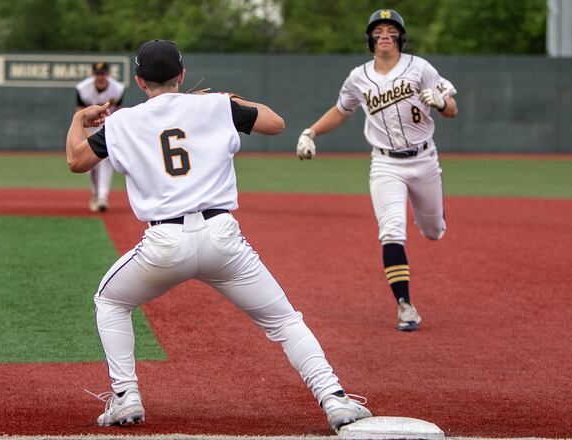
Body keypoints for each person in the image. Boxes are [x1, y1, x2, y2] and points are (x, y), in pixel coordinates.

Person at [66, 40, 371, 431]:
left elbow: (76, 162)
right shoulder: (216, 106)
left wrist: (79, 119)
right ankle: (335, 399)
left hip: (164, 244)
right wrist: (229, 100)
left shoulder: (122, 121)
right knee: (285, 321)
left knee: (109, 301)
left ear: (140, 81)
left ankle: (126, 396)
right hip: (222, 237)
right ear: (182, 74)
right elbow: (275, 123)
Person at [296, 9, 458, 332]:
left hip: (424, 159)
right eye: (378, 31)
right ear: (370, 39)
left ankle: (423, 211)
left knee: (433, 231)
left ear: (400, 37)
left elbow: (452, 109)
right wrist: (310, 132)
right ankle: (405, 306)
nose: (385, 35)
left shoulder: (420, 68)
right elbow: (342, 111)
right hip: (385, 163)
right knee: (391, 231)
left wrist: (439, 102)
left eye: (391, 30)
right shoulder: (359, 77)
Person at [75, 61, 125, 212]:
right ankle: (96, 193)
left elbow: (118, 112)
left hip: (107, 124)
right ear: (93, 74)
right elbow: (79, 114)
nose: (100, 77)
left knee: (107, 159)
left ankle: (103, 197)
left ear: (108, 74)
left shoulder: (117, 89)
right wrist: (86, 137)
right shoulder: (83, 89)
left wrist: (114, 133)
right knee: (92, 164)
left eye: (103, 73)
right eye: (97, 74)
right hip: (89, 126)